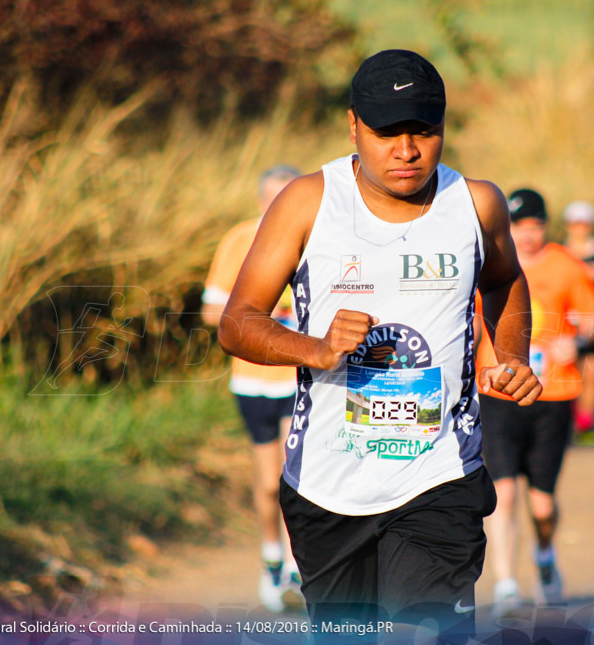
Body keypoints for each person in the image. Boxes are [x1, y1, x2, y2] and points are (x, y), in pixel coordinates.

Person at [217, 49, 541, 642]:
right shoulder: (309, 202)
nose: (407, 150)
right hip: (326, 484)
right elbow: (237, 323)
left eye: (424, 131)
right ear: (353, 126)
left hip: (439, 475)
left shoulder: (475, 204)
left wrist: (512, 353)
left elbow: (504, 279)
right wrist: (314, 349)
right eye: (387, 133)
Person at [476, 189, 594, 617]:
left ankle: (545, 557)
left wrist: (577, 342)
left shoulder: (566, 265)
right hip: (497, 393)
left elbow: (592, 318)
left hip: (554, 395)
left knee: (542, 504)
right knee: (503, 492)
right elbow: (471, 323)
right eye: (518, 227)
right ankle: (507, 584)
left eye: (534, 226)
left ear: (545, 227)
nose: (526, 236)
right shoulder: (488, 263)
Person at [202, 164, 303, 612]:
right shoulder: (239, 240)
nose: (280, 207)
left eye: (290, 199)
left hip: (303, 379)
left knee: (295, 477)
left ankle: (300, 569)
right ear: (261, 201)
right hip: (253, 380)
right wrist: (261, 319)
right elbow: (210, 312)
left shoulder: (319, 236)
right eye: (273, 199)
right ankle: (271, 559)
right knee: (267, 482)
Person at [563, 200, 594, 441]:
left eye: (584, 223)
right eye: (575, 223)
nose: (579, 228)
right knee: (566, 369)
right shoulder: (558, 252)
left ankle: (586, 423)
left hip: (593, 321)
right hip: (563, 323)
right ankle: (568, 418)